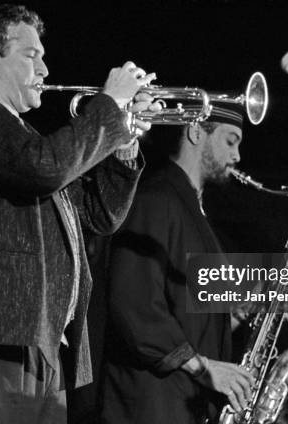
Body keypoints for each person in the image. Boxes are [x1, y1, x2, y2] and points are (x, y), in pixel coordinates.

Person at [0, 4, 160, 423]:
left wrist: (125, 137)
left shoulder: (26, 140)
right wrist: (107, 104)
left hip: (44, 348)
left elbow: (101, 217)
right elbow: (44, 167)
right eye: (32, 56)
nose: (46, 70)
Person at [101, 103, 256, 423]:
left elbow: (186, 315)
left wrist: (242, 311)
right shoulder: (156, 199)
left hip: (179, 404)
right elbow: (134, 305)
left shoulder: (192, 211)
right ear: (195, 131)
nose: (238, 155)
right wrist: (203, 367)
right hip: (149, 406)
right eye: (230, 141)